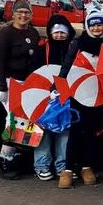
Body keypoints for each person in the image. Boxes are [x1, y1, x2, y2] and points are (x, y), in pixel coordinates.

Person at [58, 10, 103, 187]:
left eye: (100, 24)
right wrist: (59, 89)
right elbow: (66, 67)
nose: (96, 28)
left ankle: (86, 167)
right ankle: (67, 169)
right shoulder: (77, 44)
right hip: (77, 94)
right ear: (88, 27)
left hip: (99, 96)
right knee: (75, 131)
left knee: (90, 133)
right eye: (93, 25)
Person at [0, 0, 41, 180]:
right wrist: (2, 87)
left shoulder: (33, 32)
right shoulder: (6, 33)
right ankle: (4, 157)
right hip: (8, 80)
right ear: (13, 15)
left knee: (26, 118)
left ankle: (16, 155)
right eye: (20, 12)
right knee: (13, 118)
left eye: (26, 12)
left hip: (25, 83)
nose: (23, 15)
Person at [32, 15, 74, 184]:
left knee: (64, 131)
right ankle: (41, 165)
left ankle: (62, 167)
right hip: (43, 96)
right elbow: (33, 73)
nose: (59, 35)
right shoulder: (41, 50)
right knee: (44, 132)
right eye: (55, 32)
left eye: (63, 32)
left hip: (66, 96)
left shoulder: (72, 49)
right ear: (50, 33)